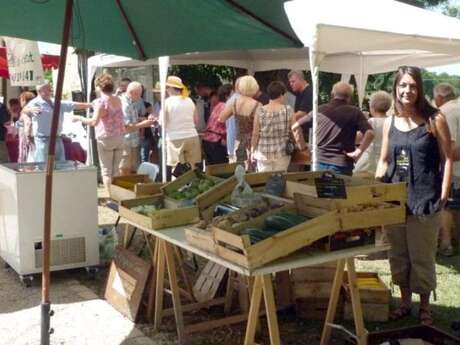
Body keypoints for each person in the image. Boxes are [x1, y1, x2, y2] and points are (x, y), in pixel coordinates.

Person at [376, 66, 453, 326]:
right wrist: (376, 190)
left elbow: (448, 157)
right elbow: (385, 159)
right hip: (395, 199)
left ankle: (424, 308)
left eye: (412, 86)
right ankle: (405, 302)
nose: (407, 90)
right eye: (402, 85)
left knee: (421, 255)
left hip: (425, 198)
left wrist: (444, 190)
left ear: (419, 89)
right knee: (398, 254)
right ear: (396, 88)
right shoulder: (389, 122)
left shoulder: (435, 119)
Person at [293, 82, 374, 175]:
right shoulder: (355, 112)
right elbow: (370, 133)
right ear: (349, 97)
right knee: (339, 189)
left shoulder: (319, 110)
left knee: (319, 189)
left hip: (318, 161)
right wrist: (358, 152)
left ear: (333, 94)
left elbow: (295, 127)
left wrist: (303, 149)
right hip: (341, 164)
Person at [27, 81, 92, 162]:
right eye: (47, 89)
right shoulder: (34, 103)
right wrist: (28, 110)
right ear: (39, 91)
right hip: (43, 140)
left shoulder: (55, 102)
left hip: (57, 139)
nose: (50, 90)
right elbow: (23, 112)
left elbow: (73, 105)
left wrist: (90, 105)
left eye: (50, 88)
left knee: (59, 166)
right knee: (42, 166)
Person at [433, 82, 460, 257]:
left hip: (454, 169)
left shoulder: (446, 112)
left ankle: (446, 243)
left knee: (446, 206)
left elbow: (447, 147)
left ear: (439, 97)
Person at [252, 81, 298, 172]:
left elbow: (255, 134)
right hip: (282, 153)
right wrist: (297, 144)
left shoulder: (260, 110)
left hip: (263, 153)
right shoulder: (288, 110)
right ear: (282, 94)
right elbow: (294, 131)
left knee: (264, 181)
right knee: (280, 181)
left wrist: (252, 150)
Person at [219, 75, 262, 169]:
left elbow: (221, 118)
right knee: (251, 174)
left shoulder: (234, 103)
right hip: (251, 143)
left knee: (238, 172)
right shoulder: (257, 105)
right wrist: (253, 150)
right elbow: (256, 132)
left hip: (237, 143)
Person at [163, 76, 201, 177]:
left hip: (175, 138)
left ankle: (177, 190)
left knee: (176, 168)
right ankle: (195, 187)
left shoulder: (167, 102)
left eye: (167, 87)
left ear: (171, 88)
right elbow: (196, 120)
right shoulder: (189, 100)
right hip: (192, 136)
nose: (166, 89)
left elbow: (163, 122)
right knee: (193, 166)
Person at [354, 91, 392, 174]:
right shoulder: (392, 121)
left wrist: (361, 122)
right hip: (387, 160)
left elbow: (357, 139)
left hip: (370, 161)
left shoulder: (372, 121)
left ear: (372, 106)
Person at [202, 84, 232, 165]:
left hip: (208, 139)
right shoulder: (227, 107)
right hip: (216, 140)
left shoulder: (218, 105)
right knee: (221, 169)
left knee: (212, 169)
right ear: (227, 95)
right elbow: (225, 124)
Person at [120, 81, 146, 174]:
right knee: (124, 168)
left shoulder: (132, 102)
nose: (140, 97)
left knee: (133, 168)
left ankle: (130, 187)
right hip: (125, 141)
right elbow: (126, 126)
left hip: (133, 140)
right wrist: (144, 124)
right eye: (139, 94)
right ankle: (121, 188)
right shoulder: (125, 104)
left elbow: (133, 119)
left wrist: (143, 119)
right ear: (131, 93)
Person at [17, 92, 36, 163]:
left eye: (21, 100)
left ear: (24, 100)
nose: (20, 102)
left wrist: (27, 136)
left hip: (25, 136)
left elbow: (28, 122)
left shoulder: (26, 110)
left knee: (24, 153)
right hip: (32, 135)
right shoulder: (33, 108)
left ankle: (24, 170)